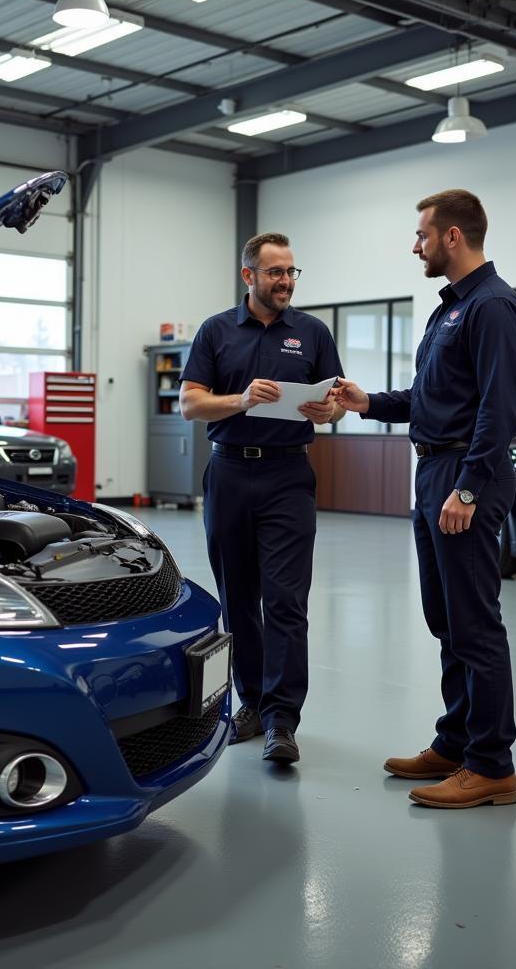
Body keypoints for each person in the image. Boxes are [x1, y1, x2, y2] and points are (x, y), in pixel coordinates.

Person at [334, 189, 516, 808]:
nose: (413, 244)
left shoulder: (495, 308)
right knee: (444, 619)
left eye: (421, 234)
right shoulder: (449, 309)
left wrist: (468, 486)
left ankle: (491, 765)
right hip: (432, 473)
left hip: (464, 477)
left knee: (475, 624)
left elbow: (501, 412)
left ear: (452, 236)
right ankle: (455, 742)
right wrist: (367, 403)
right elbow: (429, 398)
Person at [179, 232, 344, 765]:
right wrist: (242, 399)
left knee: (286, 602)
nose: (286, 282)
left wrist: (329, 413)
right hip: (229, 474)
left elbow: (335, 402)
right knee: (238, 601)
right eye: (276, 272)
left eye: (292, 272)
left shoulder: (312, 333)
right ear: (249, 276)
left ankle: (281, 720)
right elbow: (190, 405)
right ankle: (250, 702)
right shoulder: (215, 331)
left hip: (288, 478)